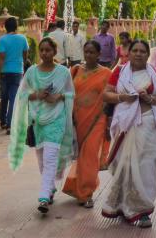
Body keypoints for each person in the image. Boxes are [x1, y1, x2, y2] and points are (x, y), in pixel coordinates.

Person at [101, 40, 156, 228]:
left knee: (147, 167)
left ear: (148, 55)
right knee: (123, 165)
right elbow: (106, 94)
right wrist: (123, 97)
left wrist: (150, 98)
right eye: (135, 51)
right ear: (128, 53)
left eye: (142, 51)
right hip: (125, 124)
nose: (138, 54)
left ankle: (143, 210)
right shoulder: (119, 72)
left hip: (148, 124)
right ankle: (124, 206)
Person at [8, 37, 75, 214]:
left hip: (57, 119)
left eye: (48, 50)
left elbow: (70, 93)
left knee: (50, 157)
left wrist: (58, 97)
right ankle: (50, 187)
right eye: (42, 50)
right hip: (38, 120)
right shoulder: (31, 72)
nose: (45, 53)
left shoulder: (63, 72)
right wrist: (37, 95)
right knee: (41, 159)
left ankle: (44, 196)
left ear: (54, 52)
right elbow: (22, 95)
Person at [62, 40, 112, 208]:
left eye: (92, 52)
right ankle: (77, 185)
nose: (89, 55)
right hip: (77, 120)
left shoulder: (106, 73)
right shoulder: (75, 70)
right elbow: (66, 93)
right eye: (86, 52)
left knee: (90, 156)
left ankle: (86, 193)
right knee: (81, 157)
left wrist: (109, 122)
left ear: (99, 54)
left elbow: (110, 98)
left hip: (97, 120)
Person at [0, 17, 29, 135]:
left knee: (4, 97)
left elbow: (1, 58)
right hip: (17, 71)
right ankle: (10, 125)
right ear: (16, 27)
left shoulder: (2, 40)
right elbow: (25, 54)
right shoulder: (22, 38)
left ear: (5, 27)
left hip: (5, 72)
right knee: (13, 99)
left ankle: (3, 121)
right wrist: (24, 62)